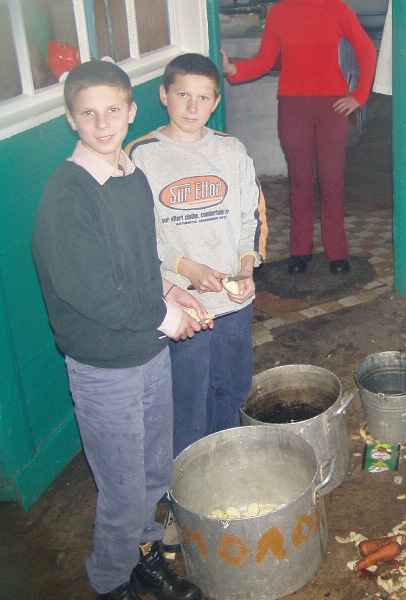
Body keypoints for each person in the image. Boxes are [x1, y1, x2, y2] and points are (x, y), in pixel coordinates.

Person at [32, 60, 205, 600]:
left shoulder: (131, 177)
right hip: (104, 362)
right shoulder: (68, 194)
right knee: (124, 487)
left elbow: (137, 263)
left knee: (154, 470)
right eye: (89, 112)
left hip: (148, 351)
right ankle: (110, 581)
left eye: (113, 109)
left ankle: (145, 555)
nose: (102, 122)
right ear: (71, 119)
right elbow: (92, 291)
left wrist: (169, 290)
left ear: (132, 112)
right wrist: (165, 316)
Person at [127, 53, 268, 457]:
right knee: (186, 397)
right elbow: (139, 234)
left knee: (232, 388)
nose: (193, 107)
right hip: (181, 303)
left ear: (216, 102)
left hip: (232, 300)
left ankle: (224, 468)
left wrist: (246, 266)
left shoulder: (231, 149)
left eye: (204, 98)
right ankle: (185, 482)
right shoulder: (142, 155)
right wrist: (185, 267)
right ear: (163, 95)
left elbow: (251, 216)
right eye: (183, 95)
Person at [221, 0, 377, 276]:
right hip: (293, 107)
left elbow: (367, 50)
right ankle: (300, 252)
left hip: (333, 107)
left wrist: (359, 96)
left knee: (332, 181)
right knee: (300, 181)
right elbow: (265, 61)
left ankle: (337, 253)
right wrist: (233, 69)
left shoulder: (337, 9)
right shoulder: (280, 12)